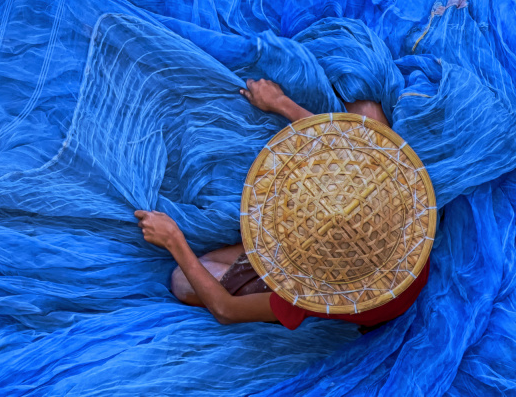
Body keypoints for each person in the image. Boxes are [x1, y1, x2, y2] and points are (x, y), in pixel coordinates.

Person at [136, 79, 433, 330]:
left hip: (369, 298)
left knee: (182, 281)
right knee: (366, 111)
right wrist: (279, 102)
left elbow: (227, 310)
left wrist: (174, 240)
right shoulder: (399, 214)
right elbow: (341, 142)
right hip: (376, 264)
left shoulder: (316, 292)